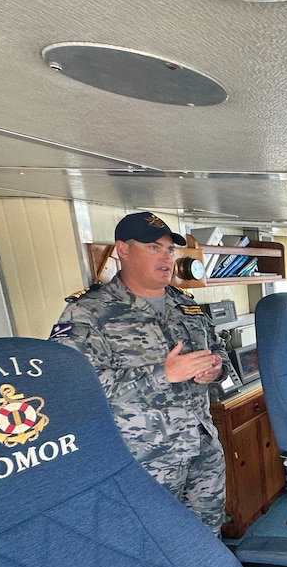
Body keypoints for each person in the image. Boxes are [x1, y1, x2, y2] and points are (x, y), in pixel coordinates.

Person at [49, 212, 232, 537]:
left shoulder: (186, 305)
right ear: (123, 249)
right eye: (153, 247)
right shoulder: (88, 312)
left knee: (207, 541)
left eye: (169, 249)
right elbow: (69, 388)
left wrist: (215, 369)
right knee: (151, 548)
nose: (166, 257)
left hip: (202, 449)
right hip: (144, 461)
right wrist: (162, 374)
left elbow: (220, 353)